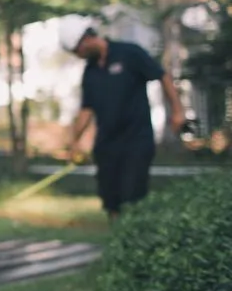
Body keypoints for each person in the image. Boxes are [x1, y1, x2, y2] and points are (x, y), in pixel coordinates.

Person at [59, 15, 186, 223]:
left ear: (85, 39)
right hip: (106, 144)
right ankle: (118, 237)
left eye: (76, 51)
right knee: (111, 199)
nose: (78, 56)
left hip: (136, 140)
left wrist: (178, 111)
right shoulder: (90, 71)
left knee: (132, 197)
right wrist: (74, 142)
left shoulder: (129, 53)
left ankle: (134, 238)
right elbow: (86, 109)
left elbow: (162, 76)